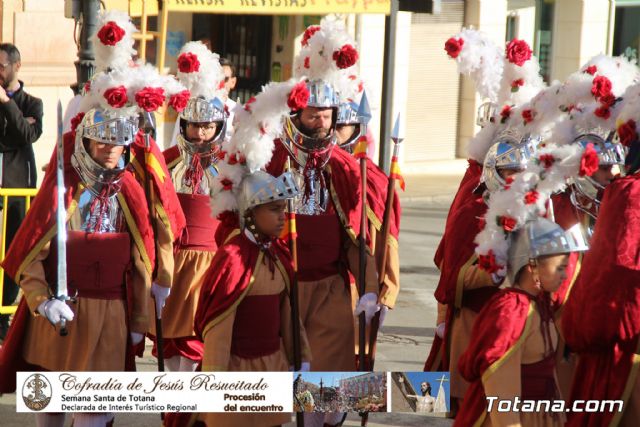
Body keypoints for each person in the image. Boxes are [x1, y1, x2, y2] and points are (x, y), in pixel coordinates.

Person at [0, 106, 170, 427]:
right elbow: (31, 254)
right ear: (86, 143)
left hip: (111, 317)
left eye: (116, 142)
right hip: (62, 313)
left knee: (96, 408)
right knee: (51, 404)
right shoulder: (62, 190)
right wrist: (42, 300)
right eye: (101, 141)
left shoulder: (132, 190)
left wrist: (138, 321)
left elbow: (140, 265)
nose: (109, 149)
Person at [194, 170, 312, 427]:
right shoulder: (233, 257)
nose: (283, 217)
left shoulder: (279, 253)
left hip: (273, 365)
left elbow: (289, 314)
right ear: (251, 212)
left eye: (283, 208)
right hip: (238, 370)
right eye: (274, 209)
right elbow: (218, 328)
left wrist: (299, 355)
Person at [455, 217, 588, 427]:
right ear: (532, 267)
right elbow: (500, 386)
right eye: (560, 268)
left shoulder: (539, 304)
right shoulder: (512, 310)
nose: (565, 276)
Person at [153, 41, 228, 372]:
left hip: (212, 265)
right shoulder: (164, 162)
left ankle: (192, 416)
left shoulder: (231, 166)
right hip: (172, 265)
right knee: (170, 351)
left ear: (218, 127)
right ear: (182, 125)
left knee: (197, 349)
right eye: (194, 125)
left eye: (208, 126)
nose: (201, 133)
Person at [0, 43, 43, 340]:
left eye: (1, 66)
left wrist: (6, 103)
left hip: (16, 187)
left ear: (17, 66)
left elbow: (27, 135)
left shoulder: (32, 103)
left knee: (11, 250)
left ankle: (3, 316)